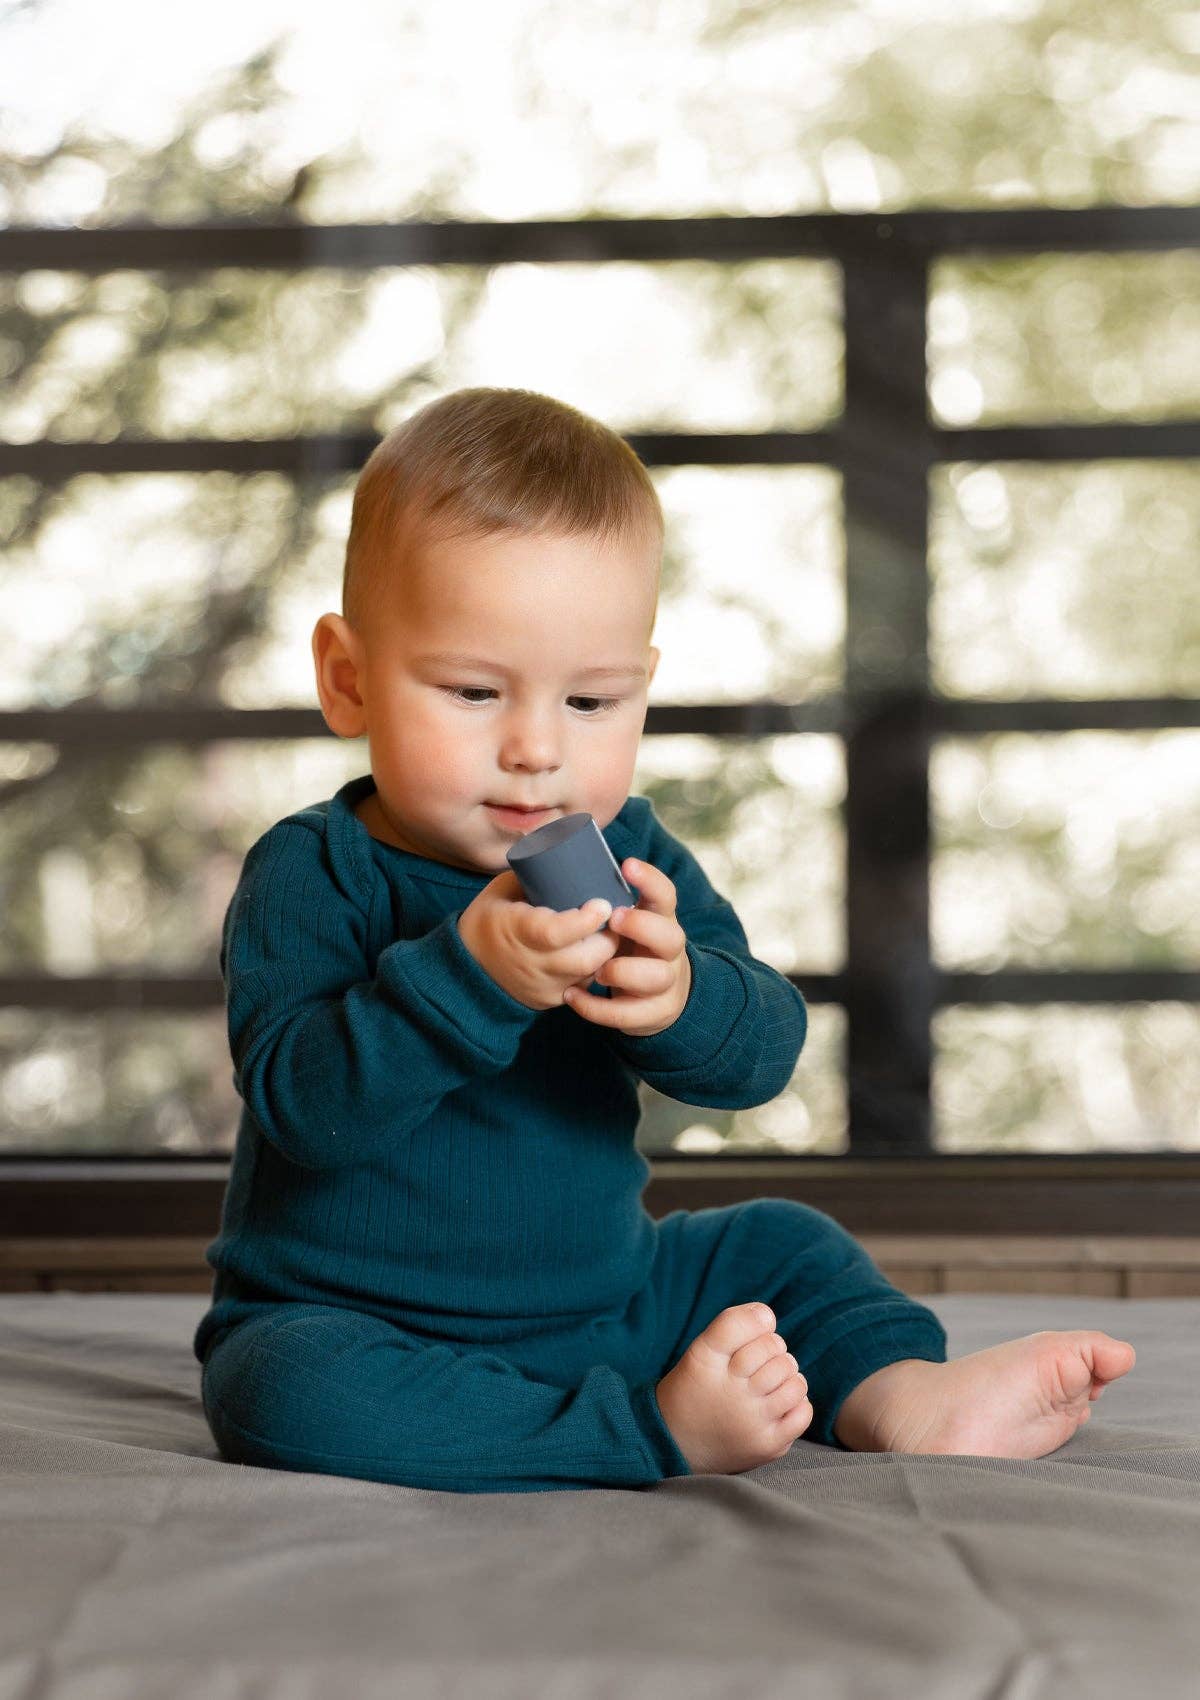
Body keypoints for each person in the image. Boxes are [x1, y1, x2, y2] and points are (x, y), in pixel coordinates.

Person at [194, 386, 1136, 1492]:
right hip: (357, 1317)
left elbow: (763, 1051)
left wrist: (682, 996)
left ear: (643, 686)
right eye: (473, 691)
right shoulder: (316, 870)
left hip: (612, 1298)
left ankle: (900, 1394)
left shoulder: (630, 854)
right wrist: (472, 975)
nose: (535, 748)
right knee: (278, 1389)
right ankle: (645, 1434)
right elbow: (305, 1107)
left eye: (590, 702)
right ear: (348, 677)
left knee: (780, 1240)